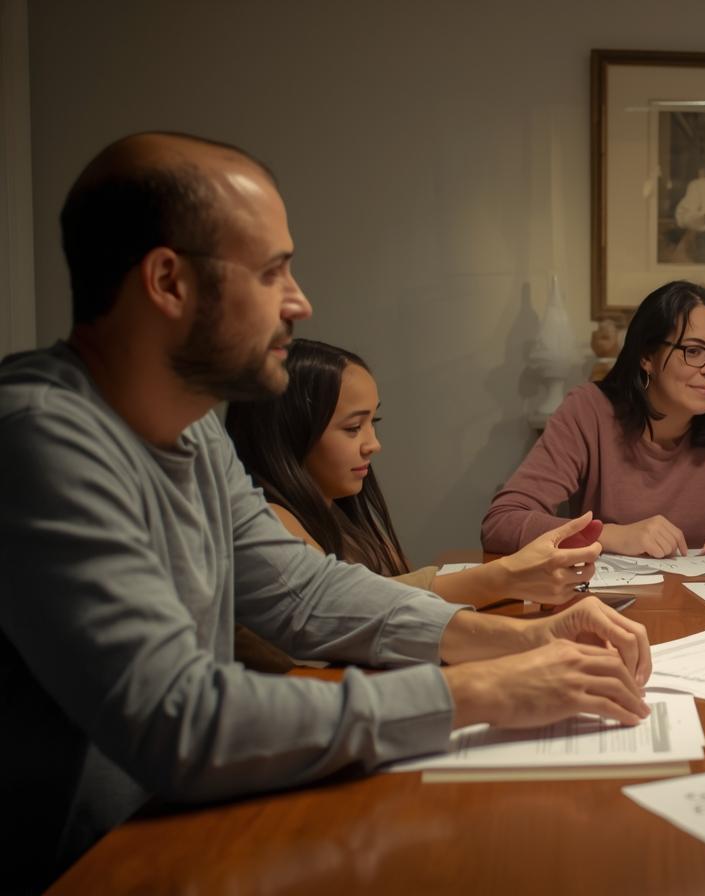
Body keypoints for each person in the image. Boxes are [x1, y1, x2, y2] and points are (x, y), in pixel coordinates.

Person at [0, 132, 652, 889]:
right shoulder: (44, 438)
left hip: (183, 832)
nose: (299, 301)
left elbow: (304, 592)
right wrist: (477, 691)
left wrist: (519, 639)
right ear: (168, 281)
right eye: (273, 271)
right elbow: (178, 718)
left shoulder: (195, 430)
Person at [225, 339, 599, 608]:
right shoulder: (274, 525)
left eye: (375, 423)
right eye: (353, 428)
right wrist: (505, 577)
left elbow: (395, 592)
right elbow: (357, 607)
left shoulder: (343, 516)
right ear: (288, 431)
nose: (373, 444)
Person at [482, 280, 705, 560]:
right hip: (616, 609)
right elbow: (502, 523)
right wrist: (609, 536)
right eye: (693, 351)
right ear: (646, 356)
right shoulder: (589, 411)